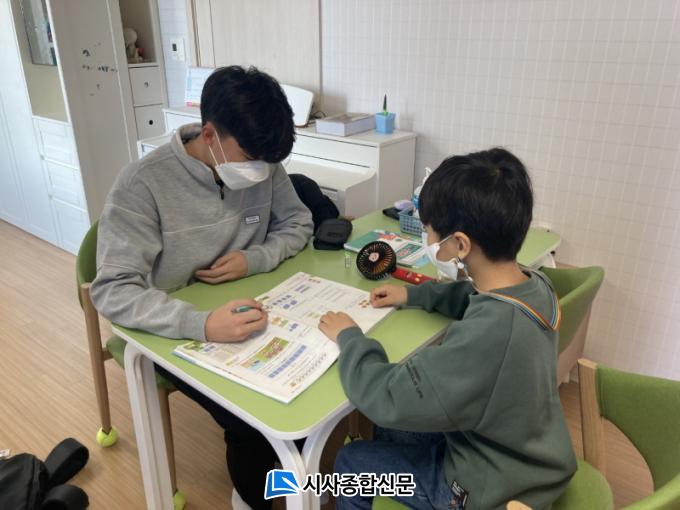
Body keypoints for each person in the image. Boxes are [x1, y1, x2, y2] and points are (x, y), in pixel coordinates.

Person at [90, 65, 314, 510]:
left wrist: (255, 258)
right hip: (175, 327)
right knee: (251, 421)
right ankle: (253, 499)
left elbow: (298, 222)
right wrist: (202, 324)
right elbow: (113, 290)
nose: (261, 171)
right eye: (250, 157)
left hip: (253, 307)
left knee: (306, 392)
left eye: (269, 162)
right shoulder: (142, 185)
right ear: (209, 135)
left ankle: (291, 482)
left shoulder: (263, 164)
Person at [319, 148, 577, 510]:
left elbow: (385, 396)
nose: (428, 241)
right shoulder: (534, 285)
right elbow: (474, 296)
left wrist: (351, 338)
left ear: (460, 244)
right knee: (393, 428)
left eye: (428, 232)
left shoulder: (486, 338)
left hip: (483, 489)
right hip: (519, 449)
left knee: (352, 462)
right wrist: (415, 294)